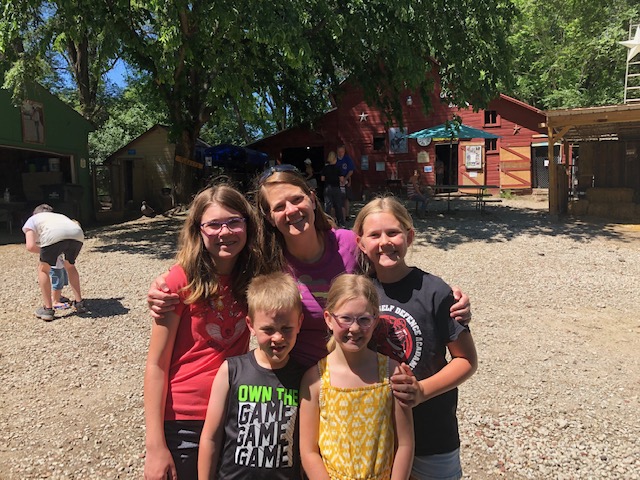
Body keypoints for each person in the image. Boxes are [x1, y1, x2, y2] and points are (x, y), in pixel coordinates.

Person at [147, 166, 472, 370]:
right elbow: (220, 265)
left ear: (312, 199)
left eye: (297, 199)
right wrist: (167, 283)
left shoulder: (349, 245)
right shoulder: (266, 261)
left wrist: (447, 300)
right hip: (298, 378)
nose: (291, 210)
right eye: (279, 206)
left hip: (356, 371)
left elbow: (392, 270)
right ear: (268, 217)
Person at [143, 184, 264, 480]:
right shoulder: (178, 282)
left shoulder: (255, 275)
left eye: (234, 221)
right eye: (214, 224)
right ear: (198, 229)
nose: (225, 232)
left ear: (248, 224)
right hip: (185, 420)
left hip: (235, 412)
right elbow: (157, 365)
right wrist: (155, 446)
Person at [353, 196, 478, 480]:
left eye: (393, 232)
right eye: (374, 235)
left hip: (431, 433)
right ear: (360, 243)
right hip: (374, 433)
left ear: (409, 237)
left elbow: (466, 360)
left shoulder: (435, 291)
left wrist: (421, 391)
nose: (384, 242)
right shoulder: (358, 292)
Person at [299, 274, 414, 480]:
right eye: (345, 318)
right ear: (328, 319)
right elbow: (309, 451)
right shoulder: (316, 379)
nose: (354, 328)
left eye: (364, 319)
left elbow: (405, 444)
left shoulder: (391, 373)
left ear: (375, 320)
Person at [198, 271, 306, 480]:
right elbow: (210, 437)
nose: (278, 337)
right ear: (250, 325)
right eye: (268, 329)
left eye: (286, 328)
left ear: (299, 323)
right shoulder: (231, 371)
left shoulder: (305, 378)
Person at [22, 204, 86, 321]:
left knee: (43, 269)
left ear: (35, 214)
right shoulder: (59, 216)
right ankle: (79, 303)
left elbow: (30, 246)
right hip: (77, 233)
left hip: (54, 235)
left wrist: (47, 254)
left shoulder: (32, 219)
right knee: (70, 266)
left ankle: (48, 309)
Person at [320, 151, 345, 227]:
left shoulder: (325, 168)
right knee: (338, 205)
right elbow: (341, 179)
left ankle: (326, 221)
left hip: (327, 187)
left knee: (328, 205)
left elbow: (322, 179)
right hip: (336, 187)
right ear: (335, 159)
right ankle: (341, 223)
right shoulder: (338, 168)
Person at [336, 145, 355, 220]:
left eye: (342, 152)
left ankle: (347, 215)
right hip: (336, 181)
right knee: (338, 198)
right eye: (339, 152)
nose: (340, 153)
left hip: (346, 180)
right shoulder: (334, 159)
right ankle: (339, 215)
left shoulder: (347, 159)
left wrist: (346, 179)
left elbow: (351, 171)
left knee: (346, 198)